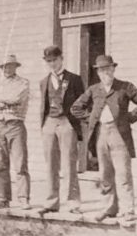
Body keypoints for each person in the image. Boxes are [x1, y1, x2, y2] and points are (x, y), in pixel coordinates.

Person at [70, 55, 137, 226]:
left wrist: (129, 118)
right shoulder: (94, 89)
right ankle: (109, 208)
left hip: (119, 134)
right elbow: (76, 108)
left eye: (108, 68)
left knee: (123, 174)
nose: (105, 72)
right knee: (105, 174)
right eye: (101, 69)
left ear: (114, 69)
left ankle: (128, 210)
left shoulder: (125, 86)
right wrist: (91, 119)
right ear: (98, 72)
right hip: (101, 134)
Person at [37, 45, 85, 215]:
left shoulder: (74, 79)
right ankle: (51, 202)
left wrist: (76, 126)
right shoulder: (44, 82)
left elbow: (83, 103)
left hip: (66, 123)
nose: (52, 64)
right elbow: (43, 106)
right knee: (51, 163)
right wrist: (43, 126)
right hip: (49, 123)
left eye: (54, 60)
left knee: (69, 164)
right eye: (48, 61)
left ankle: (73, 203)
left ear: (61, 58)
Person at [0, 54, 31, 210]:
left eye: (10, 66)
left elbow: (16, 99)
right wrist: (0, 102)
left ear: (15, 67)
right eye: (4, 66)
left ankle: (23, 198)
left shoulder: (23, 82)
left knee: (20, 164)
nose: (7, 69)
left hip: (15, 125)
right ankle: (3, 198)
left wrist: (0, 101)